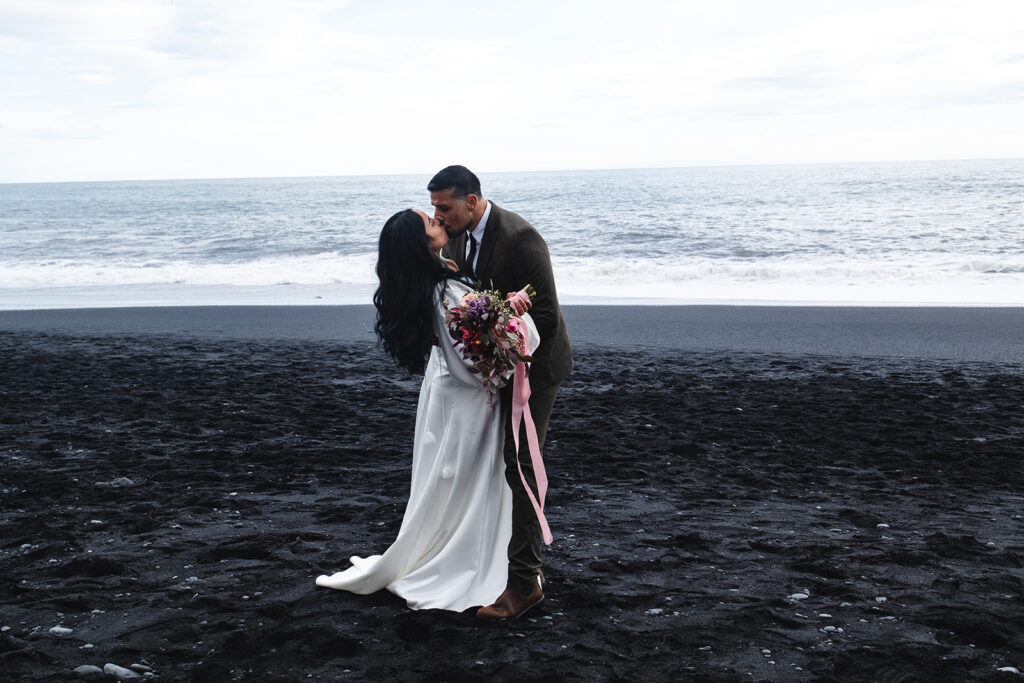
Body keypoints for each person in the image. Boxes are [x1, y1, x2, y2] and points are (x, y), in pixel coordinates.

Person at [314, 208, 539, 612]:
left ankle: (454, 548)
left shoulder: (431, 281)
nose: (439, 222)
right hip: (470, 401)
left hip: (444, 392)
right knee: (470, 483)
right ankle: (464, 559)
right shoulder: (445, 292)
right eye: (430, 223)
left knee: (451, 480)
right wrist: (514, 322)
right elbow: (475, 364)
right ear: (421, 243)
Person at [429, 165, 573, 620]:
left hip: (536, 368)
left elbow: (545, 314)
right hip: (494, 370)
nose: (438, 216)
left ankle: (525, 584)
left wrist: (496, 331)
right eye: (433, 207)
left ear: (471, 201)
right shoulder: (454, 238)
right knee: (497, 466)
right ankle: (501, 564)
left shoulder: (521, 238)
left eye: (444, 207)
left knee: (522, 466)